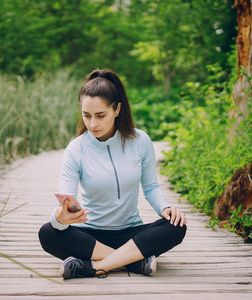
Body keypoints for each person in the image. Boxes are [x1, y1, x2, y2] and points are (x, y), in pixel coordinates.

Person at [38, 68, 187, 279]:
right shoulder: (76, 149)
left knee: (176, 226)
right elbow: (65, 201)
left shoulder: (140, 141)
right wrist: (60, 218)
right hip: (90, 235)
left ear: (117, 109)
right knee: (48, 232)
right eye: (86, 115)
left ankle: (93, 267)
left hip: (131, 234)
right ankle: (134, 261)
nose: (92, 124)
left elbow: (151, 187)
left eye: (100, 115)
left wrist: (166, 208)